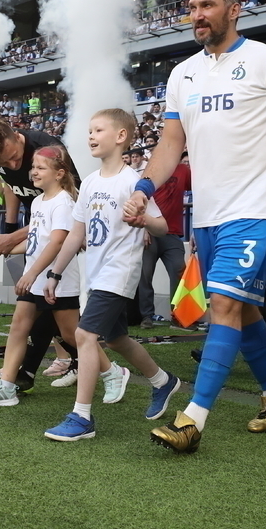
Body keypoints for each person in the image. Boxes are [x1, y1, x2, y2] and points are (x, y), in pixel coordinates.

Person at [124, 0, 266, 454]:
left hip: (256, 209)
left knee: (223, 306)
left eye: (208, 5)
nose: (197, 14)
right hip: (208, 217)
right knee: (246, 307)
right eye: (192, 7)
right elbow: (171, 145)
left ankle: (192, 419)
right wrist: (143, 188)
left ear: (234, 10)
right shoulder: (182, 75)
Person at [41, 109, 182, 441]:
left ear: (121, 137)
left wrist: (144, 219)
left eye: (98, 130)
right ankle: (163, 381)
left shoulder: (133, 182)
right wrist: (54, 274)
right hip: (97, 274)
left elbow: (163, 226)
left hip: (120, 272)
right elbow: (76, 234)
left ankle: (82, 417)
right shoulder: (89, 182)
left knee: (85, 336)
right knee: (116, 339)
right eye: (89, 130)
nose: (90, 136)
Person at [0, 145, 88, 407]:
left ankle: (112, 371)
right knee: (18, 327)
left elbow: (57, 242)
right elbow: (37, 240)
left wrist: (31, 273)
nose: (33, 171)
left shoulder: (64, 203)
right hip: (36, 279)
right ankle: (6, 386)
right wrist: (9, 247)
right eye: (33, 167)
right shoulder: (37, 202)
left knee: (72, 336)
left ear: (59, 173)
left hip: (58, 281)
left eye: (40, 168)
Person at [137, 151, 191, 329]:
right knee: (145, 276)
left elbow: (200, 187)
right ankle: (146, 316)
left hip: (173, 233)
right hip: (150, 232)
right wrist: (144, 228)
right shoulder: (149, 171)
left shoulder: (184, 170)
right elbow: (140, 200)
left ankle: (178, 316)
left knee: (179, 271)